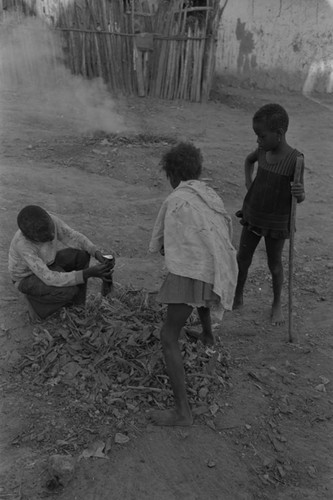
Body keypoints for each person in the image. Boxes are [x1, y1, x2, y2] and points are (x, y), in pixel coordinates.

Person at [149, 142, 237, 426]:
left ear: (173, 176)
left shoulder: (176, 200)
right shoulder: (209, 194)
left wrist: (169, 251)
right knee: (197, 293)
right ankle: (208, 336)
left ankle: (182, 412)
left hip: (193, 271)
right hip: (215, 267)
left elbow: (168, 244)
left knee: (168, 336)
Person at [233, 103, 305, 325]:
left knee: (274, 265)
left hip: (276, 222)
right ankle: (237, 295)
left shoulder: (295, 160)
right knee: (242, 259)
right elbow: (249, 160)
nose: (258, 141)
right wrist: (248, 180)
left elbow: (300, 196)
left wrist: (299, 192)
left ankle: (276, 304)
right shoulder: (263, 151)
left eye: (261, 136)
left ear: (279, 134)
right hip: (253, 214)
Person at [8, 205, 115, 320]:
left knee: (82, 255)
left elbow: (73, 236)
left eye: (51, 230)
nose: (53, 235)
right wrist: (87, 273)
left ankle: (78, 305)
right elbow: (48, 277)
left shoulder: (50, 220)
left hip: (48, 263)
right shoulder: (23, 245)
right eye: (46, 238)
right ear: (32, 238)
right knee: (69, 291)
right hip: (26, 278)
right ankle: (37, 306)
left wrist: (96, 252)